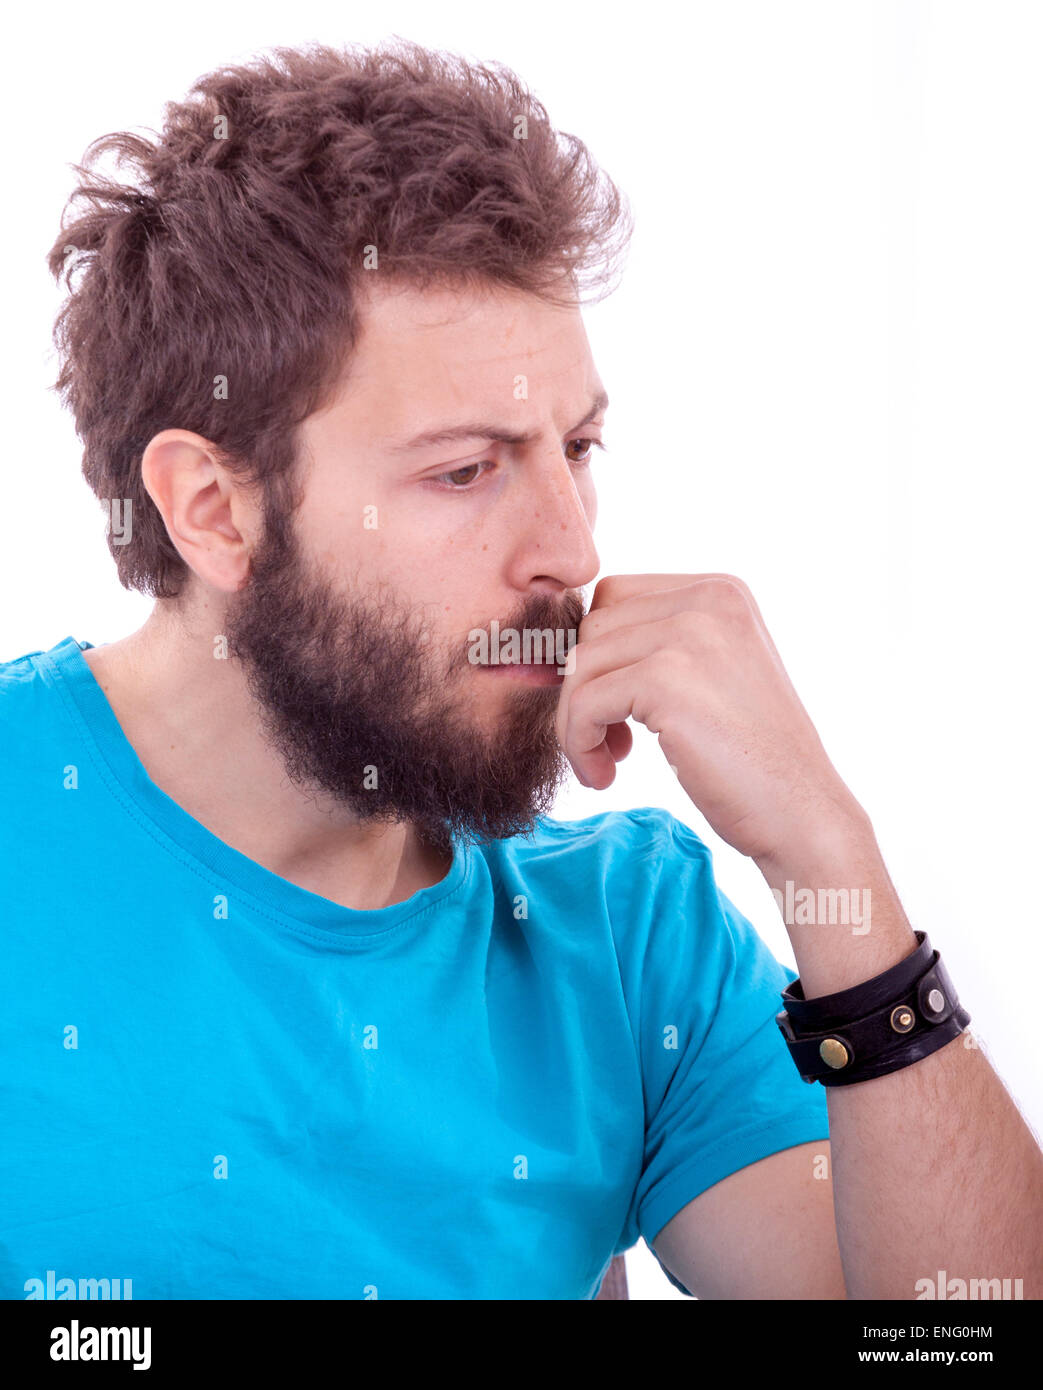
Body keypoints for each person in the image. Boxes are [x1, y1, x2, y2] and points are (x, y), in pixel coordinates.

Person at [3, 38, 1040, 1301]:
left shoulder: (626, 934)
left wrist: (830, 857)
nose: (572, 550)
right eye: (463, 470)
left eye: (578, 445)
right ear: (214, 510)